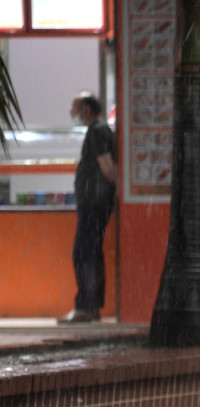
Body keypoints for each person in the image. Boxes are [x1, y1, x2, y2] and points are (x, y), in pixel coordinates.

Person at [59, 92, 116, 324]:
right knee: (89, 253)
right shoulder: (97, 130)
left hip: (94, 202)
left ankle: (86, 306)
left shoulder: (98, 131)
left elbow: (107, 166)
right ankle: (89, 305)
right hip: (94, 201)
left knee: (84, 253)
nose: (72, 111)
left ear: (88, 109)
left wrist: (116, 189)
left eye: (76, 106)